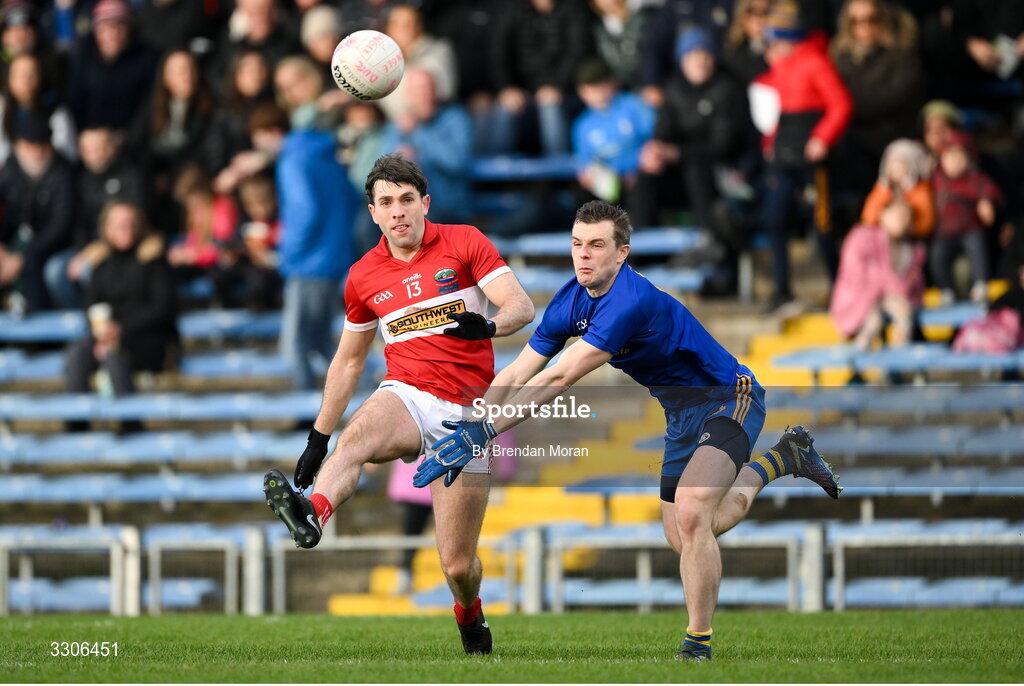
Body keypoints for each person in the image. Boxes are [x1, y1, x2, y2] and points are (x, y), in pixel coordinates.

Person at [416, 200, 842, 661]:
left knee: (694, 511)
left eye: (597, 245)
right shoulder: (570, 300)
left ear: (622, 253)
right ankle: (784, 458)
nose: (583, 255)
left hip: (728, 397)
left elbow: (559, 378)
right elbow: (519, 369)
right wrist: (474, 422)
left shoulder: (629, 301)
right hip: (679, 416)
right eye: (577, 244)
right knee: (685, 535)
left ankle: (697, 645)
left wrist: (486, 433)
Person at [262, 154, 535, 655]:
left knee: (456, 565)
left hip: (469, 415)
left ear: (424, 203)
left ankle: (469, 615)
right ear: (372, 213)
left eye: (407, 200)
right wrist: (317, 440)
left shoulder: (465, 241)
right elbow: (347, 362)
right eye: (386, 203)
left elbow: (521, 305)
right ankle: (312, 514)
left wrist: (491, 326)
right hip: (405, 392)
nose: (398, 211)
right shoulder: (363, 276)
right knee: (356, 440)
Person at [753, 0, 852, 312]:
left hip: (812, 158)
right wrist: (770, 140)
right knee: (775, 219)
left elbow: (841, 104)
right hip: (784, 155)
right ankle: (782, 288)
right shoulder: (778, 67)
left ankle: (841, 287)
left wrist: (822, 138)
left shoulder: (816, 63)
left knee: (821, 224)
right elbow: (772, 110)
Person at [275, 108, 358, 390]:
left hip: (307, 264)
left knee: (295, 346)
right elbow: (352, 201)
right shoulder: (329, 156)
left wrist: (288, 256)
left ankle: (308, 416)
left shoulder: (293, 160)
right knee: (323, 343)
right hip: (336, 259)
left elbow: (304, 211)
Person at [64, 200, 178, 398]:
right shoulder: (102, 263)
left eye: (130, 223)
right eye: (119, 224)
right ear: (107, 229)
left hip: (146, 338)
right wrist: (102, 334)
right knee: (77, 355)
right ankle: (77, 424)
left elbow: (162, 308)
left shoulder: (154, 260)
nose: (126, 229)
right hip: (108, 336)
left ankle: (129, 423)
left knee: (114, 357)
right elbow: (90, 305)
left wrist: (121, 329)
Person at [0, 113, 75, 313]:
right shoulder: (10, 169)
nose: (36, 152)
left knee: (35, 266)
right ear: (18, 146)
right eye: (30, 146)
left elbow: (61, 226)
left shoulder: (63, 173)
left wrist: (22, 257)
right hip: (14, 243)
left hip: (50, 246)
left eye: (41, 145)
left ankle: (37, 332)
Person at [830, 199, 925, 349]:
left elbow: (912, 283)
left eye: (907, 215)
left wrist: (905, 296)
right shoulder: (861, 237)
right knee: (873, 322)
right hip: (858, 298)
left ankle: (897, 364)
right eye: (898, 213)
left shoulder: (911, 249)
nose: (903, 219)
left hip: (891, 298)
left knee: (903, 315)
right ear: (882, 214)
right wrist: (892, 283)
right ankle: (859, 361)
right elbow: (857, 274)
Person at [930, 129, 1002, 304]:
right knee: (937, 256)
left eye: (959, 157)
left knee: (978, 249)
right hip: (945, 232)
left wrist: (986, 202)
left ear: (969, 160)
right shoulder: (936, 178)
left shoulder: (975, 179)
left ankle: (981, 285)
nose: (954, 162)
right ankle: (945, 290)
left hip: (970, 228)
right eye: (950, 157)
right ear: (942, 159)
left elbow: (990, 191)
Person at [571, 57, 654, 205]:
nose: (597, 93)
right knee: (582, 196)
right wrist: (590, 177)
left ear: (612, 83)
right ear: (582, 92)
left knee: (644, 186)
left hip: (639, 177)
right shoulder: (582, 125)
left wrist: (638, 169)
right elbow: (586, 165)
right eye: (591, 88)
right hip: (610, 186)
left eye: (600, 85)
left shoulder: (633, 105)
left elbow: (655, 138)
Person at [860, 138, 934, 239]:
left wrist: (905, 222)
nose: (896, 170)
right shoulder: (883, 188)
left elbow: (926, 223)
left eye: (901, 165)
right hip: (883, 237)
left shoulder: (920, 190)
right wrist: (884, 191)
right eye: (892, 165)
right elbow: (868, 217)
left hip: (911, 239)